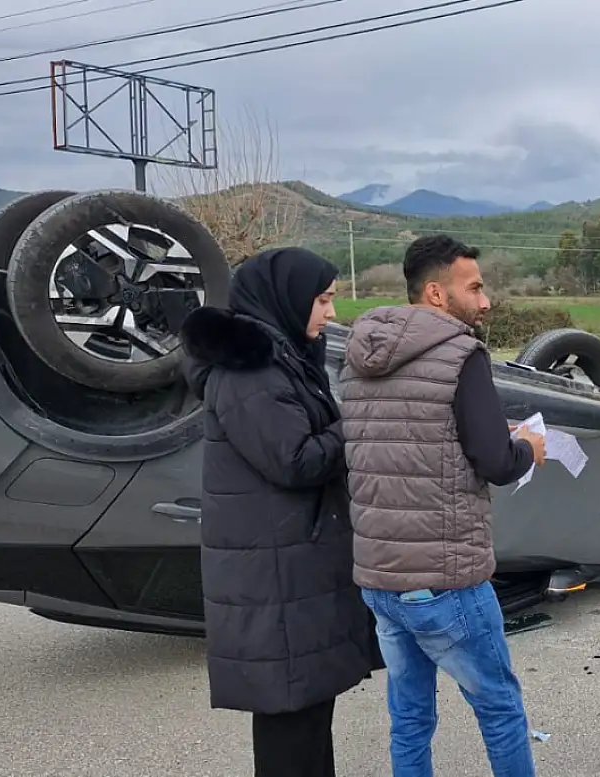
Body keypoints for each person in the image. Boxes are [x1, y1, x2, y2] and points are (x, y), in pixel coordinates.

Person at [338, 235, 548, 777]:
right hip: (447, 580)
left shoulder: (359, 356)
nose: (485, 301)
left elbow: (404, 439)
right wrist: (528, 448)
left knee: (409, 715)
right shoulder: (462, 354)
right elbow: (496, 464)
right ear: (436, 292)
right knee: (499, 708)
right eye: (474, 287)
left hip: (381, 581)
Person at [179, 247, 382, 777]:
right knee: (291, 723)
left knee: (308, 715)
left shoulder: (284, 358)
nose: (331, 313)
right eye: (323, 299)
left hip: (291, 564)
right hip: (274, 574)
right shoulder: (252, 373)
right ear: (286, 299)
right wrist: (356, 422)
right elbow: (294, 460)